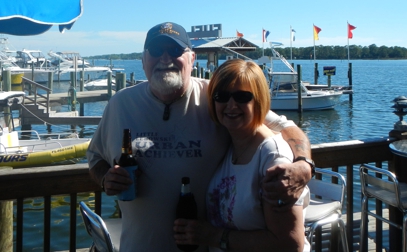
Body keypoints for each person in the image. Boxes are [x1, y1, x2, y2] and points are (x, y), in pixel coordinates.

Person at [87, 22, 314, 252]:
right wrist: (106, 177)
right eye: (156, 51)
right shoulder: (120, 104)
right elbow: (95, 157)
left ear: (192, 59)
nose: (165, 58)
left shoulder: (217, 97)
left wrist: (304, 165)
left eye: (176, 51)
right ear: (144, 59)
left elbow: (287, 127)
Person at [173, 59, 310, 252]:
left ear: (259, 100)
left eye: (242, 97)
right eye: (221, 96)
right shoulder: (230, 146)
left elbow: (289, 244)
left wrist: (214, 236)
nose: (231, 105)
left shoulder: (273, 159)